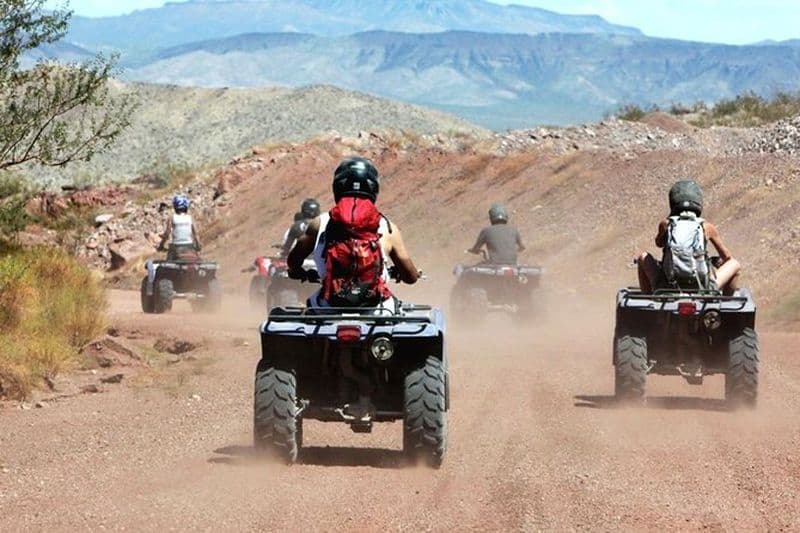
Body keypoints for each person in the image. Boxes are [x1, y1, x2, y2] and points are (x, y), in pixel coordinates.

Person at [287, 157, 420, 309]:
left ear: (337, 188)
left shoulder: (319, 223)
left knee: (310, 308)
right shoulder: (388, 227)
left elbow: (293, 260)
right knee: (397, 309)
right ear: (373, 189)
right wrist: (407, 274)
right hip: (375, 308)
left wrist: (297, 272)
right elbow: (410, 277)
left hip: (328, 307)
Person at [637, 179, 740, 294]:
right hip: (702, 287)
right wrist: (714, 261)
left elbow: (659, 243)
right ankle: (725, 300)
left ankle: (648, 298)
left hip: (667, 286)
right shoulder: (706, 227)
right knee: (734, 264)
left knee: (643, 257)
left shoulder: (666, 224)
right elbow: (727, 257)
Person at [157, 195, 202, 261]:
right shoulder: (190, 218)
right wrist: (198, 246)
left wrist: (161, 245)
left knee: (169, 262)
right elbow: (196, 234)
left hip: (176, 246)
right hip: (189, 245)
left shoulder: (172, 218)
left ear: (175, 207)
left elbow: (167, 234)